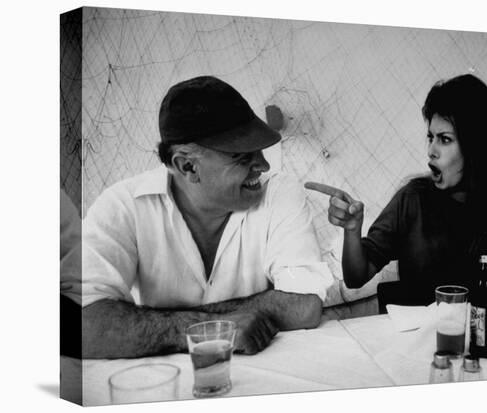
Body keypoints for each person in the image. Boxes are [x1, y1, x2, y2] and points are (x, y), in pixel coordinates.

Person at [61, 75, 333, 359]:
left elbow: (304, 304)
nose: (263, 166)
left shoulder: (280, 191)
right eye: (242, 157)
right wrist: (209, 327)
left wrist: (153, 324)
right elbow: (84, 325)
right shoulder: (122, 205)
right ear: (188, 166)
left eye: (260, 152)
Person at [306, 74, 487, 308]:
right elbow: (356, 277)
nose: (431, 150)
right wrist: (352, 230)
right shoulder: (413, 199)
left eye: (445, 139)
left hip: (481, 341)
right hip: (418, 340)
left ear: (477, 149)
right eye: (430, 137)